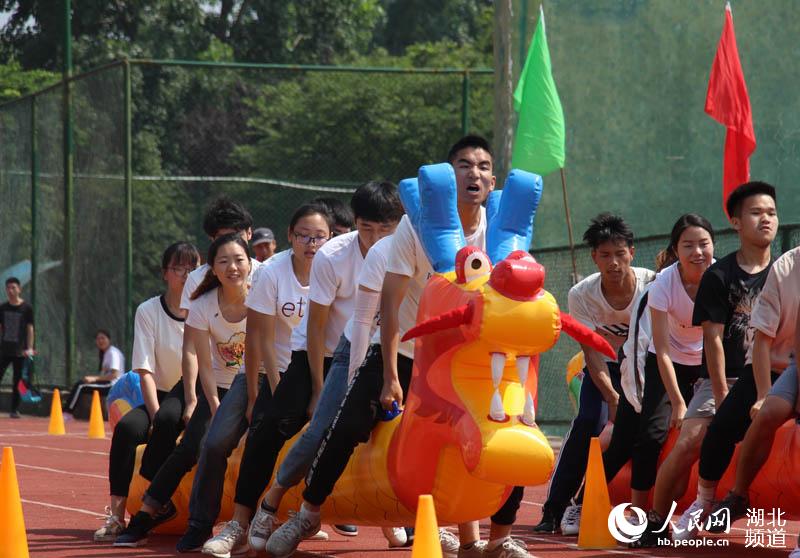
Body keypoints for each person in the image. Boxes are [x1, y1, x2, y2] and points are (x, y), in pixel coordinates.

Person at [266, 135, 533, 558]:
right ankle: (308, 513)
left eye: (483, 166)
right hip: (409, 351)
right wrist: (389, 374)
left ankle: (494, 539)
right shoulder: (418, 224)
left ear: (493, 178)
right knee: (348, 424)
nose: (474, 173)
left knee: (511, 434)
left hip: (465, 359)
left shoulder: (500, 228)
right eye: (464, 165)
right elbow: (389, 305)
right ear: (450, 174)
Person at [213, 181, 402, 556]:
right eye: (367, 228)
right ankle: (242, 517)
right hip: (324, 353)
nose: (376, 238)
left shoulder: (407, 250)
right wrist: (318, 388)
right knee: (273, 422)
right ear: (354, 224)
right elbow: (315, 329)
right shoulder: (333, 256)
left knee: (388, 426)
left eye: (385, 230)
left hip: (381, 352)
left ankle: (396, 514)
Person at [172, 202, 332, 553]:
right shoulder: (271, 271)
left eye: (320, 236)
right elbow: (257, 339)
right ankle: (213, 523)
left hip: (315, 367)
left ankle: (330, 514)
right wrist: (265, 391)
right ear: (289, 236)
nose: (311, 243)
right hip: (261, 370)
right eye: (303, 235)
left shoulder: (335, 267)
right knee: (218, 441)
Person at [641, 182, 776, 544]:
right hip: (721, 377)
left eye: (703, 244)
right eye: (688, 245)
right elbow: (711, 341)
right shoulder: (715, 279)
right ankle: (657, 519)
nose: (698, 251)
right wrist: (718, 396)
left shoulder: (782, 272)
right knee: (690, 440)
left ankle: (730, 497)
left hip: (771, 375)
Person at [114, 234, 252, 547]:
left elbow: (265, 352)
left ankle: (257, 522)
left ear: (249, 263)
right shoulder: (203, 304)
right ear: (212, 269)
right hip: (214, 384)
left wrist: (255, 398)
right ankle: (147, 513)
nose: (232, 267)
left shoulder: (262, 295)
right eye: (223, 261)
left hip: (254, 382)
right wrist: (205, 401)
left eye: (239, 259)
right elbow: (200, 357)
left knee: (253, 445)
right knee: (193, 445)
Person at [533, 214, 655, 535]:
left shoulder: (653, 284)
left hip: (643, 368)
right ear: (594, 258)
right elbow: (592, 354)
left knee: (636, 432)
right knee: (589, 421)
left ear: (631, 251)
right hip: (604, 369)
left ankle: (587, 500)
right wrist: (613, 398)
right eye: (605, 255)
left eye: (619, 253)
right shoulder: (581, 295)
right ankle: (554, 509)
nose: (613, 262)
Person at [93, 241, 200, 542]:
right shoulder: (149, 311)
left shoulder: (205, 309)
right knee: (128, 429)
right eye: (178, 268)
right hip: (161, 396)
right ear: (165, 273)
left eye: (192, 268)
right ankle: (117, 516)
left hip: (197, 395)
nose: (185, 274)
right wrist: (154, 415)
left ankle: (157, 501)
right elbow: (145, 370)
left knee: (172, 424)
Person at [705, 230, 800, 531]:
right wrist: (764, 394)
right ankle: (736, 496)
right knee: (767, 413)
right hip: (790, 366)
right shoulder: (786, 267)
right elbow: (764, 339)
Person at [65, 330, 125, 414]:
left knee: (81, 386)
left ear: (109, 340)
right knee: (81, 383)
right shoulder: (106, 353)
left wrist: (94, 379)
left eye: (103, 338)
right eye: (98, 339)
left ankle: (67, 413)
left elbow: (114, 375)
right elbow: (105, 374)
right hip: (108, 383)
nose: (100, 341)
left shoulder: (113, 353)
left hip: (113, 385)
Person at [0, 276, 34, 418]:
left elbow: (30, 328)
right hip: (4, 350)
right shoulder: (2, 308)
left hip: (20, 351)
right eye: (8, 288)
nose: (10, 290)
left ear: (19, 289)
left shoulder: (26, 308)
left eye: (13, 287)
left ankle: (14, 409)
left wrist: (30, 348)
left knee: (17, 381)